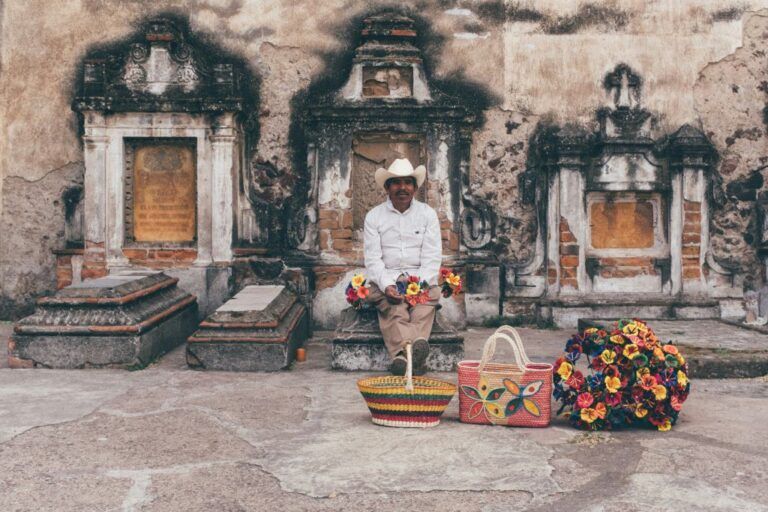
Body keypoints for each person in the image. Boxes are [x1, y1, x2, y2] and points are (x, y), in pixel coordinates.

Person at [363, 158, 442, 375]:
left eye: (408, 182)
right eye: (396, 183)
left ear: (415, 188)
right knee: (395, 308)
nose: (403, 188)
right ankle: (413, 354)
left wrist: (417, 285)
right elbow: (373, 260)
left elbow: (432, 257)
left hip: (419, 278)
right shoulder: (374, 217)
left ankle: (402, 355)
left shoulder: (427, 214)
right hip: (387, 277)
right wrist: (388, 285)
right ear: (387, 188)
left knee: (425, 304)